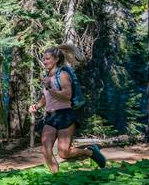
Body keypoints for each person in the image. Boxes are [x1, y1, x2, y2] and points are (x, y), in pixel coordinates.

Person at [29, 45, 106, 173]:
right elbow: (46, 97)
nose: (45, 61)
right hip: (50, 117)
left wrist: (49, 87)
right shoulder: (47, 76)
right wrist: (37, 106)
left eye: (48, 59)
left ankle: (90, 152)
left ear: (56, 59)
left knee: (64, 153)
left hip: (65, 115)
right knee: (45, 149)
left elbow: (66, 96)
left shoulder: (63, 74)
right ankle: (56, 179)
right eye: (44, 59)